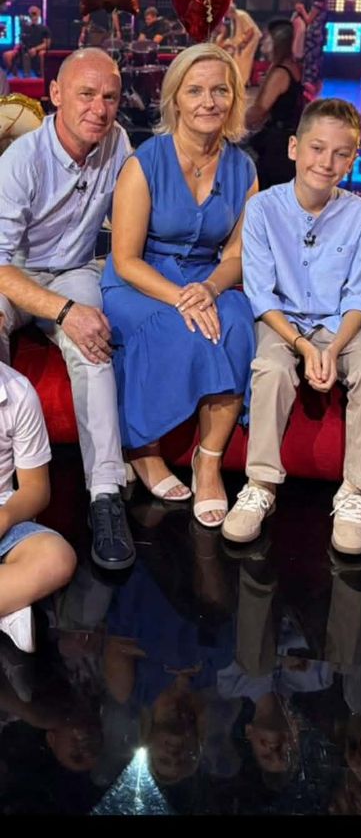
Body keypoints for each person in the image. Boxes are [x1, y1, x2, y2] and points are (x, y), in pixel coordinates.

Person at [223, 98, 361, 555]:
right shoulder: (262, 208)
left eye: (341, 153)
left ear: (354, 159)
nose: (327, 162)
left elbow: (359, 297)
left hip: (339, 324)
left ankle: (356, 492)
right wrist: (301, 344)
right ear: (294, 148)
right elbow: (261, 294)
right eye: (317, 149)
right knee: (271, 368)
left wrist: (333, 349)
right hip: (282, 322)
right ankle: (261, 484)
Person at [101, 43, 257, 519]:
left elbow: (237, 254)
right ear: (175, 100)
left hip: (206, 278)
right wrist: (181, 299)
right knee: (175, 326)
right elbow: (125, 259)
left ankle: (207, 461)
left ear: (233, 99)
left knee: (237, 320)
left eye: (219, 91)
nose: (208, 102)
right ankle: (142, 449)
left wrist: (208, 290)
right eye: (195, 91)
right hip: (141, 281)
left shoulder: (244, 168)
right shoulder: (144, 163)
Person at [0, 48, 135, 572]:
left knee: (93, 341)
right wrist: (62, 311)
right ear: (55, 95)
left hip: (76, 268)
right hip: (15, 272)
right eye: (86, 94)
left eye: (110, 97)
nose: (99, 109)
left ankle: (105, 494)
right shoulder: (21, 160)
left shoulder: (117, 142)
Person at [0, 336, 76, 654]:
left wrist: (4, 517)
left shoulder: (17, 392)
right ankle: (11, 602)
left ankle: (10, 597)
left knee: (56, 557)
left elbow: (36, 489)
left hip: (3, 508)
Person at [244, 18, 304, 189]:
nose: (262, 41)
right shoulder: (290, 65)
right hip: (286, 138)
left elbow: (258, 112)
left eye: (267, 37)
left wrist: (232, 119)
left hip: (277, 145)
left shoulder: (280, 73)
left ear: (277, 41)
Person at [214, 4, 262, 87]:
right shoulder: (233, 17)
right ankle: (239, 81)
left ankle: (242, 82)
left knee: (243, 60)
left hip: (250, 39)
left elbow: (250, 31)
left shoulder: (241, 15)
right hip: (241, 39)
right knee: (237, 59)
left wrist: (242, 44)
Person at [3, 7, 51, 78]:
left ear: (38, 14)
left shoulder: (44, 28)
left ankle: (42, 78)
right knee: (7, 55)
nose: (32, 16)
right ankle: (17, 78)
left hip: (37, 51)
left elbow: (47, 44)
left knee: (42, 54)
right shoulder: (25, 28)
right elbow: (21, 41)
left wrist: (35, 49)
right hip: (24, 50)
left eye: (34, 14)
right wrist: (16, 48)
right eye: (30, 14)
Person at [299, 0, 327, 96]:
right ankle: (315, 85)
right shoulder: (325, 7)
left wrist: (302, 10)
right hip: (320, 36)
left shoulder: (316, 6)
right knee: (316, 60)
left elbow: (308, 20)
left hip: (313, 37)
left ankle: (309, 84)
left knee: (310, 60)